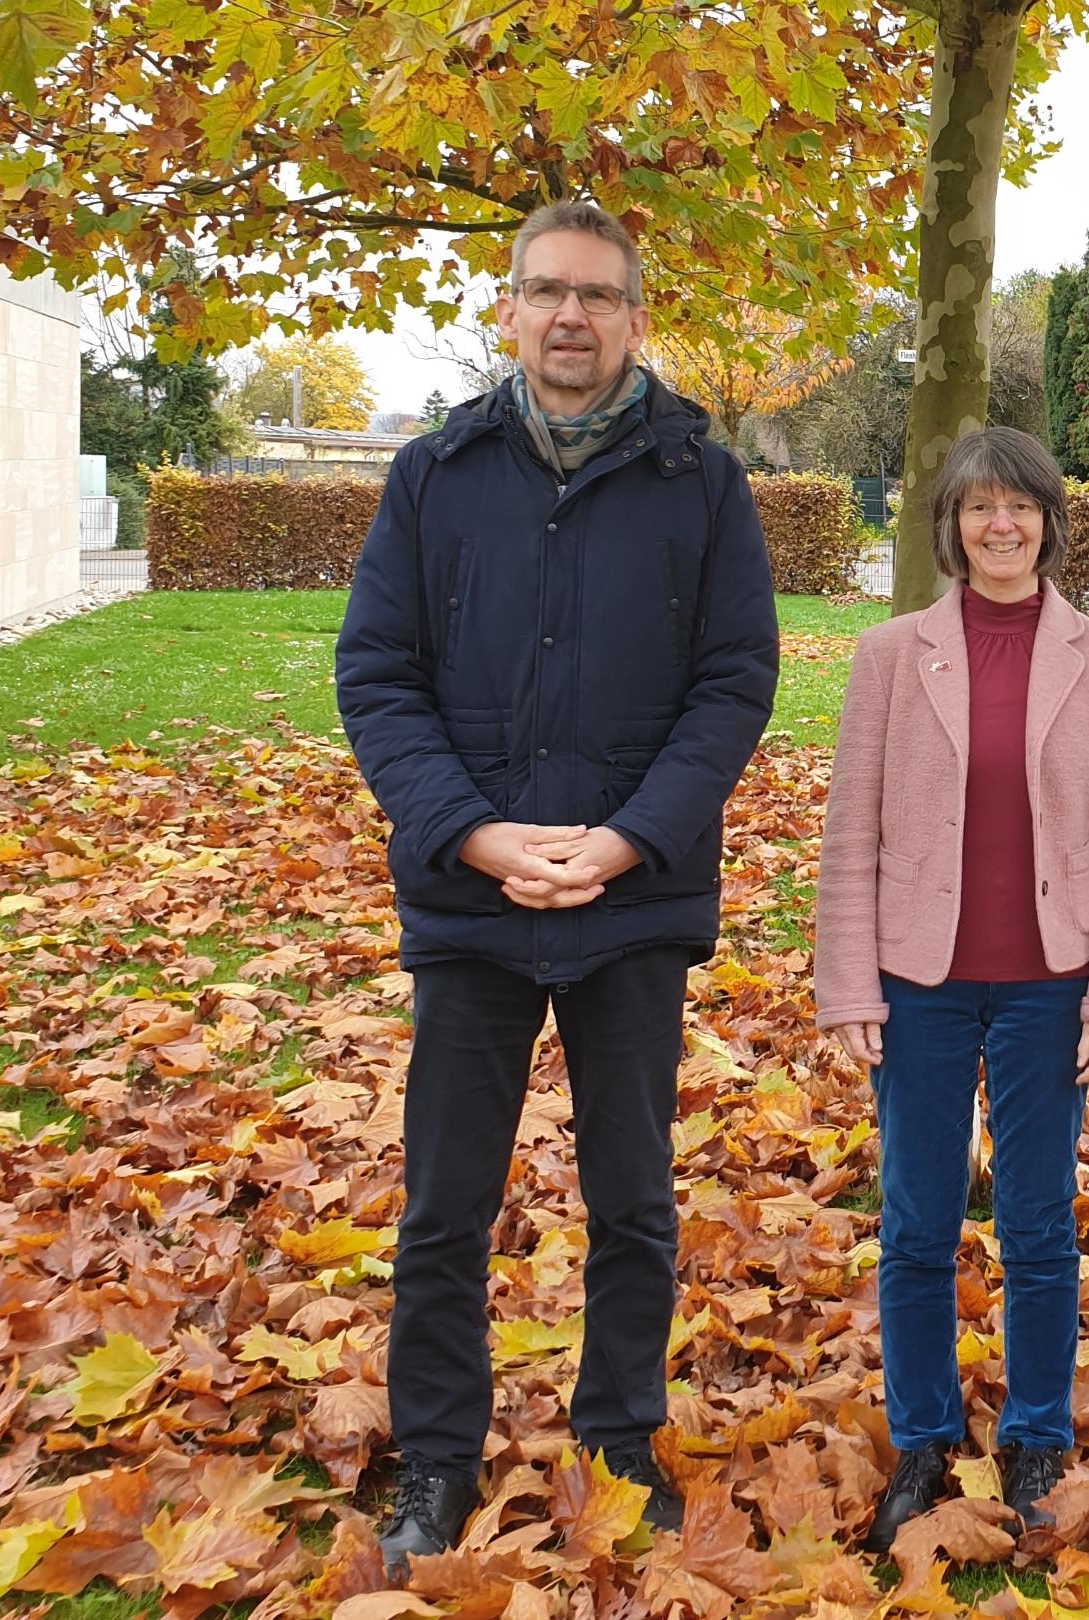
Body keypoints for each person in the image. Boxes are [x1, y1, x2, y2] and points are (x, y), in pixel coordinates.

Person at [334, 200, 779, 1578]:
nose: (570, 316)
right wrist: (471, 834)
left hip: (631, 901)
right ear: (512, 311)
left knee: (634, 1196)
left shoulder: (701, 483)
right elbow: (378, 677)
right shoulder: (436, 474)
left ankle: (620, 1440)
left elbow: (734, 682)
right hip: (473, 903)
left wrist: (629, 838)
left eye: (596, 294)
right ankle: (438, 1465)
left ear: (636, 316)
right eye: (545, 292)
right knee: (444, 1208)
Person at [814, 426, 1089, 1551]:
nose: (999, 525)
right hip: (917, 981)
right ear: (950, 526)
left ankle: (1036, 1433)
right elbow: (850, 835)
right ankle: (919, 1439)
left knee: (1037, 1223)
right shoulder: (889, 656)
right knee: (914, 1221)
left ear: (1050, 520)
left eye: (1019, 507)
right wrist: (846, 985)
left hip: (1048, 986)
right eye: (978, 509)